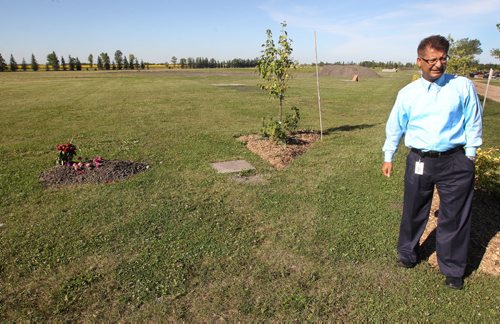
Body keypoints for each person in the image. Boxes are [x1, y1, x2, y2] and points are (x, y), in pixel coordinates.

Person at [381, 35, 483, 290]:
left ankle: (452, 267)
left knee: (454, 217)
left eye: (442, 58)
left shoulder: (462, 86)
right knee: (414, 211)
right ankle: (407, 253)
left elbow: (473, 121)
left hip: (456, 161)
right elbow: (395, 126)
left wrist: (470, 155)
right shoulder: (408, 93)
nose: (438, 64)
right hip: (420, 160)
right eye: (432, 60)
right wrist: (388, 154)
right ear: (419, 61)